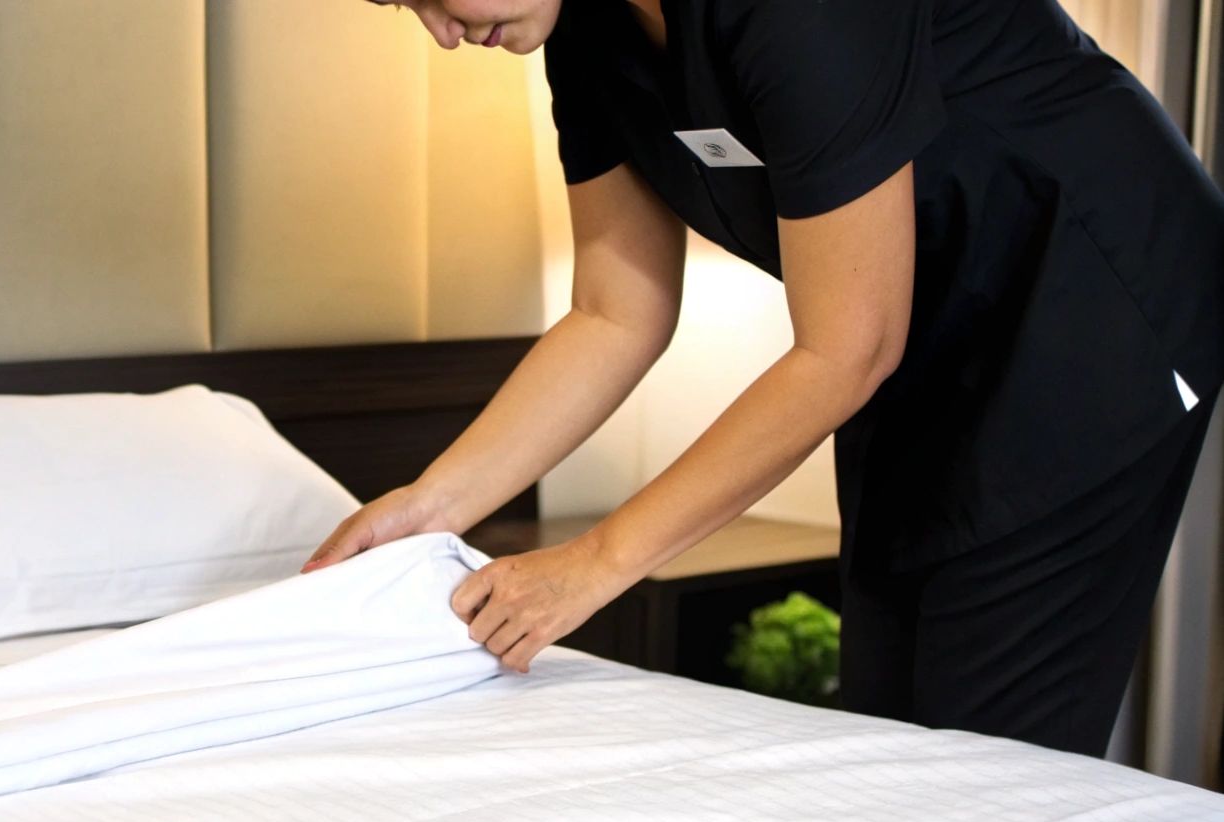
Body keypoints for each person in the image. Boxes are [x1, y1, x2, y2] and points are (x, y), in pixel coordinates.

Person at [302, 0, 1224, 757]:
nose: (440, 31)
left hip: (1094, 303)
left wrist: (593, 566)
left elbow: (847, 347)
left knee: (979, 758)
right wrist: (427, 509)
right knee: (888, 730)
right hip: (921, 337)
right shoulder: (585, 35)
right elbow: (615, 312)